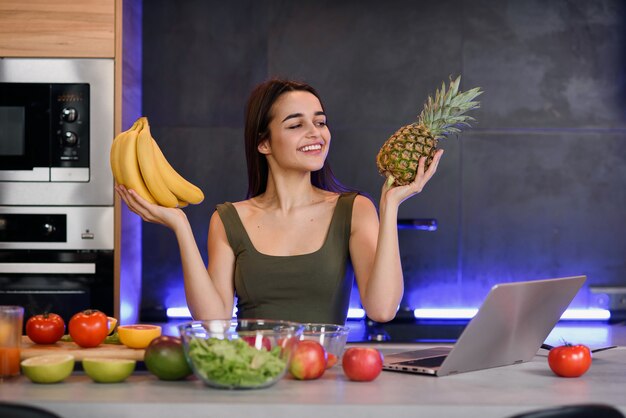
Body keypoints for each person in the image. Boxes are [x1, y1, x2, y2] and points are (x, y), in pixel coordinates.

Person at [116, 78, 443, 325]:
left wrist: (390, 208)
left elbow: (383, 309)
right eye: (296, 124)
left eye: (320, 121)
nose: (316, 132)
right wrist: (180, 226)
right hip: (252, 382)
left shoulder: (355, 210)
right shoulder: (229, 219)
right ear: (264, 143)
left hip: (323, 383)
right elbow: (214, 320)